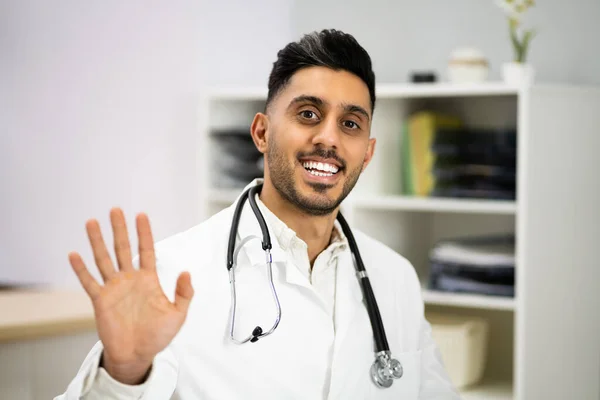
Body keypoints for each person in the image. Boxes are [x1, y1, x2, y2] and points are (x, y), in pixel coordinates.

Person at [56, 29, 460, 399]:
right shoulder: (174, 274)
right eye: (308, 114)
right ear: (262, 133)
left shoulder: (395, 278)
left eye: (350, 123)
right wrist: (123, 373)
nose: (329, 138)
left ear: (367, 153)